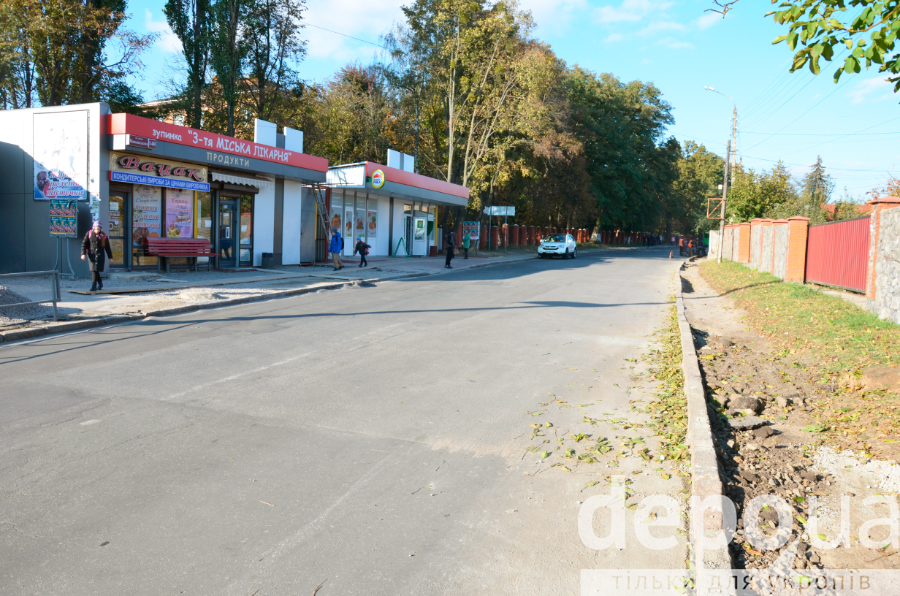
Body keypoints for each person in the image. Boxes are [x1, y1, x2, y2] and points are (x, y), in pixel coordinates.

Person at [81, 220, 113, 291]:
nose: (97, 230)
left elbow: (107, 247)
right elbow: (84, 244)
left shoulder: (103, 235)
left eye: (98, 229)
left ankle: (95, 284)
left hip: (100, 255)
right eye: (95, 229)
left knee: (96, 270)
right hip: (91, 254)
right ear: (93, 228)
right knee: (94, 269)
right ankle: (96, 284)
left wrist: (110, 257)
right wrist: (83, 254)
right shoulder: (89, 233)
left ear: (100, 229)